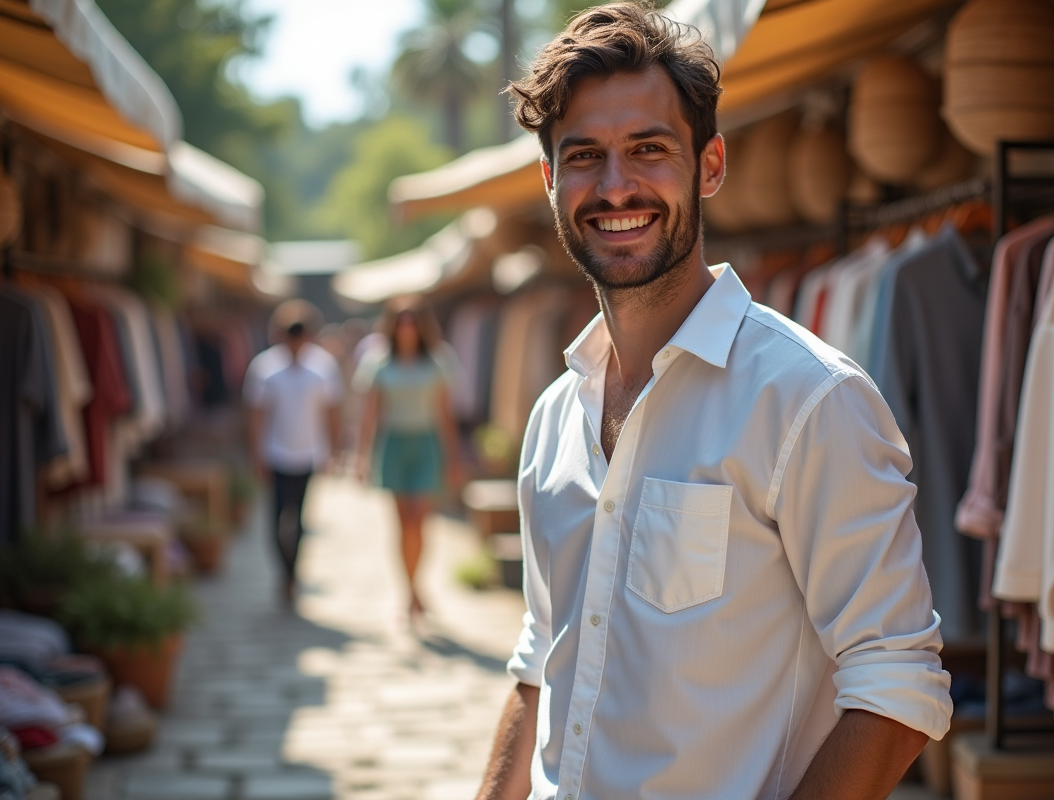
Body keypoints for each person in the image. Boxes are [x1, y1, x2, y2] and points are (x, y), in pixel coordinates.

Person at [474, 5, 953, 800]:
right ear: (551, 180)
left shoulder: (807, 398)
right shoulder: (553, 418)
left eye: (649, 150)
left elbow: (898, 683)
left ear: (711, 165)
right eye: (584, 155)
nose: (616, 185)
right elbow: (541, 656)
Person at [356, 304, 461, 623]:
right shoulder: (378, 361)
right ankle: (410, 590)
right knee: (402, 523)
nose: (406, 328)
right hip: (394, 444)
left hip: (426, 444)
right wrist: (362, 456)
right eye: (400, 322)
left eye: (412, 322)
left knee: (419, 520)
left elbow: (445, 414)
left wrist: (453, 459)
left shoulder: (439, 360)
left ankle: (418, 586)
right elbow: (370, 413)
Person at [244, 301, 343, 606]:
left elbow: (332, 412)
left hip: (307, 453)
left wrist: (333, 451)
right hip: (275, 453)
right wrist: (257, 454)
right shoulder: (265, 367)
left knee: (298, 517)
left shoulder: (323, 366)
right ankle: (284, 572)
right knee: (275, 519)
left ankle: (292, 574)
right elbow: (257, 415)